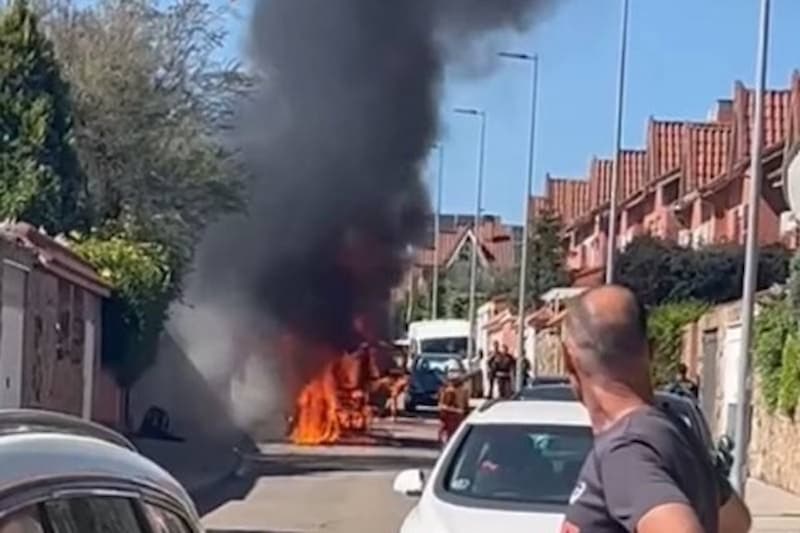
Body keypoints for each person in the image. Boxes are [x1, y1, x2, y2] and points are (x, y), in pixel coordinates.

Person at [560, 285, 751, 533]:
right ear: (651, 350)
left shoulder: (625, 449)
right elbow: (735, 521)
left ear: (569, 360)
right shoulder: (673, 430)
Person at [437, 367, 470, 445]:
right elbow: (442, 407)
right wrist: (456, 411)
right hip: (451, 420)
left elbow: (466, 406)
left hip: (459, 420)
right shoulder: (449, 391)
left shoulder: (464, 391)